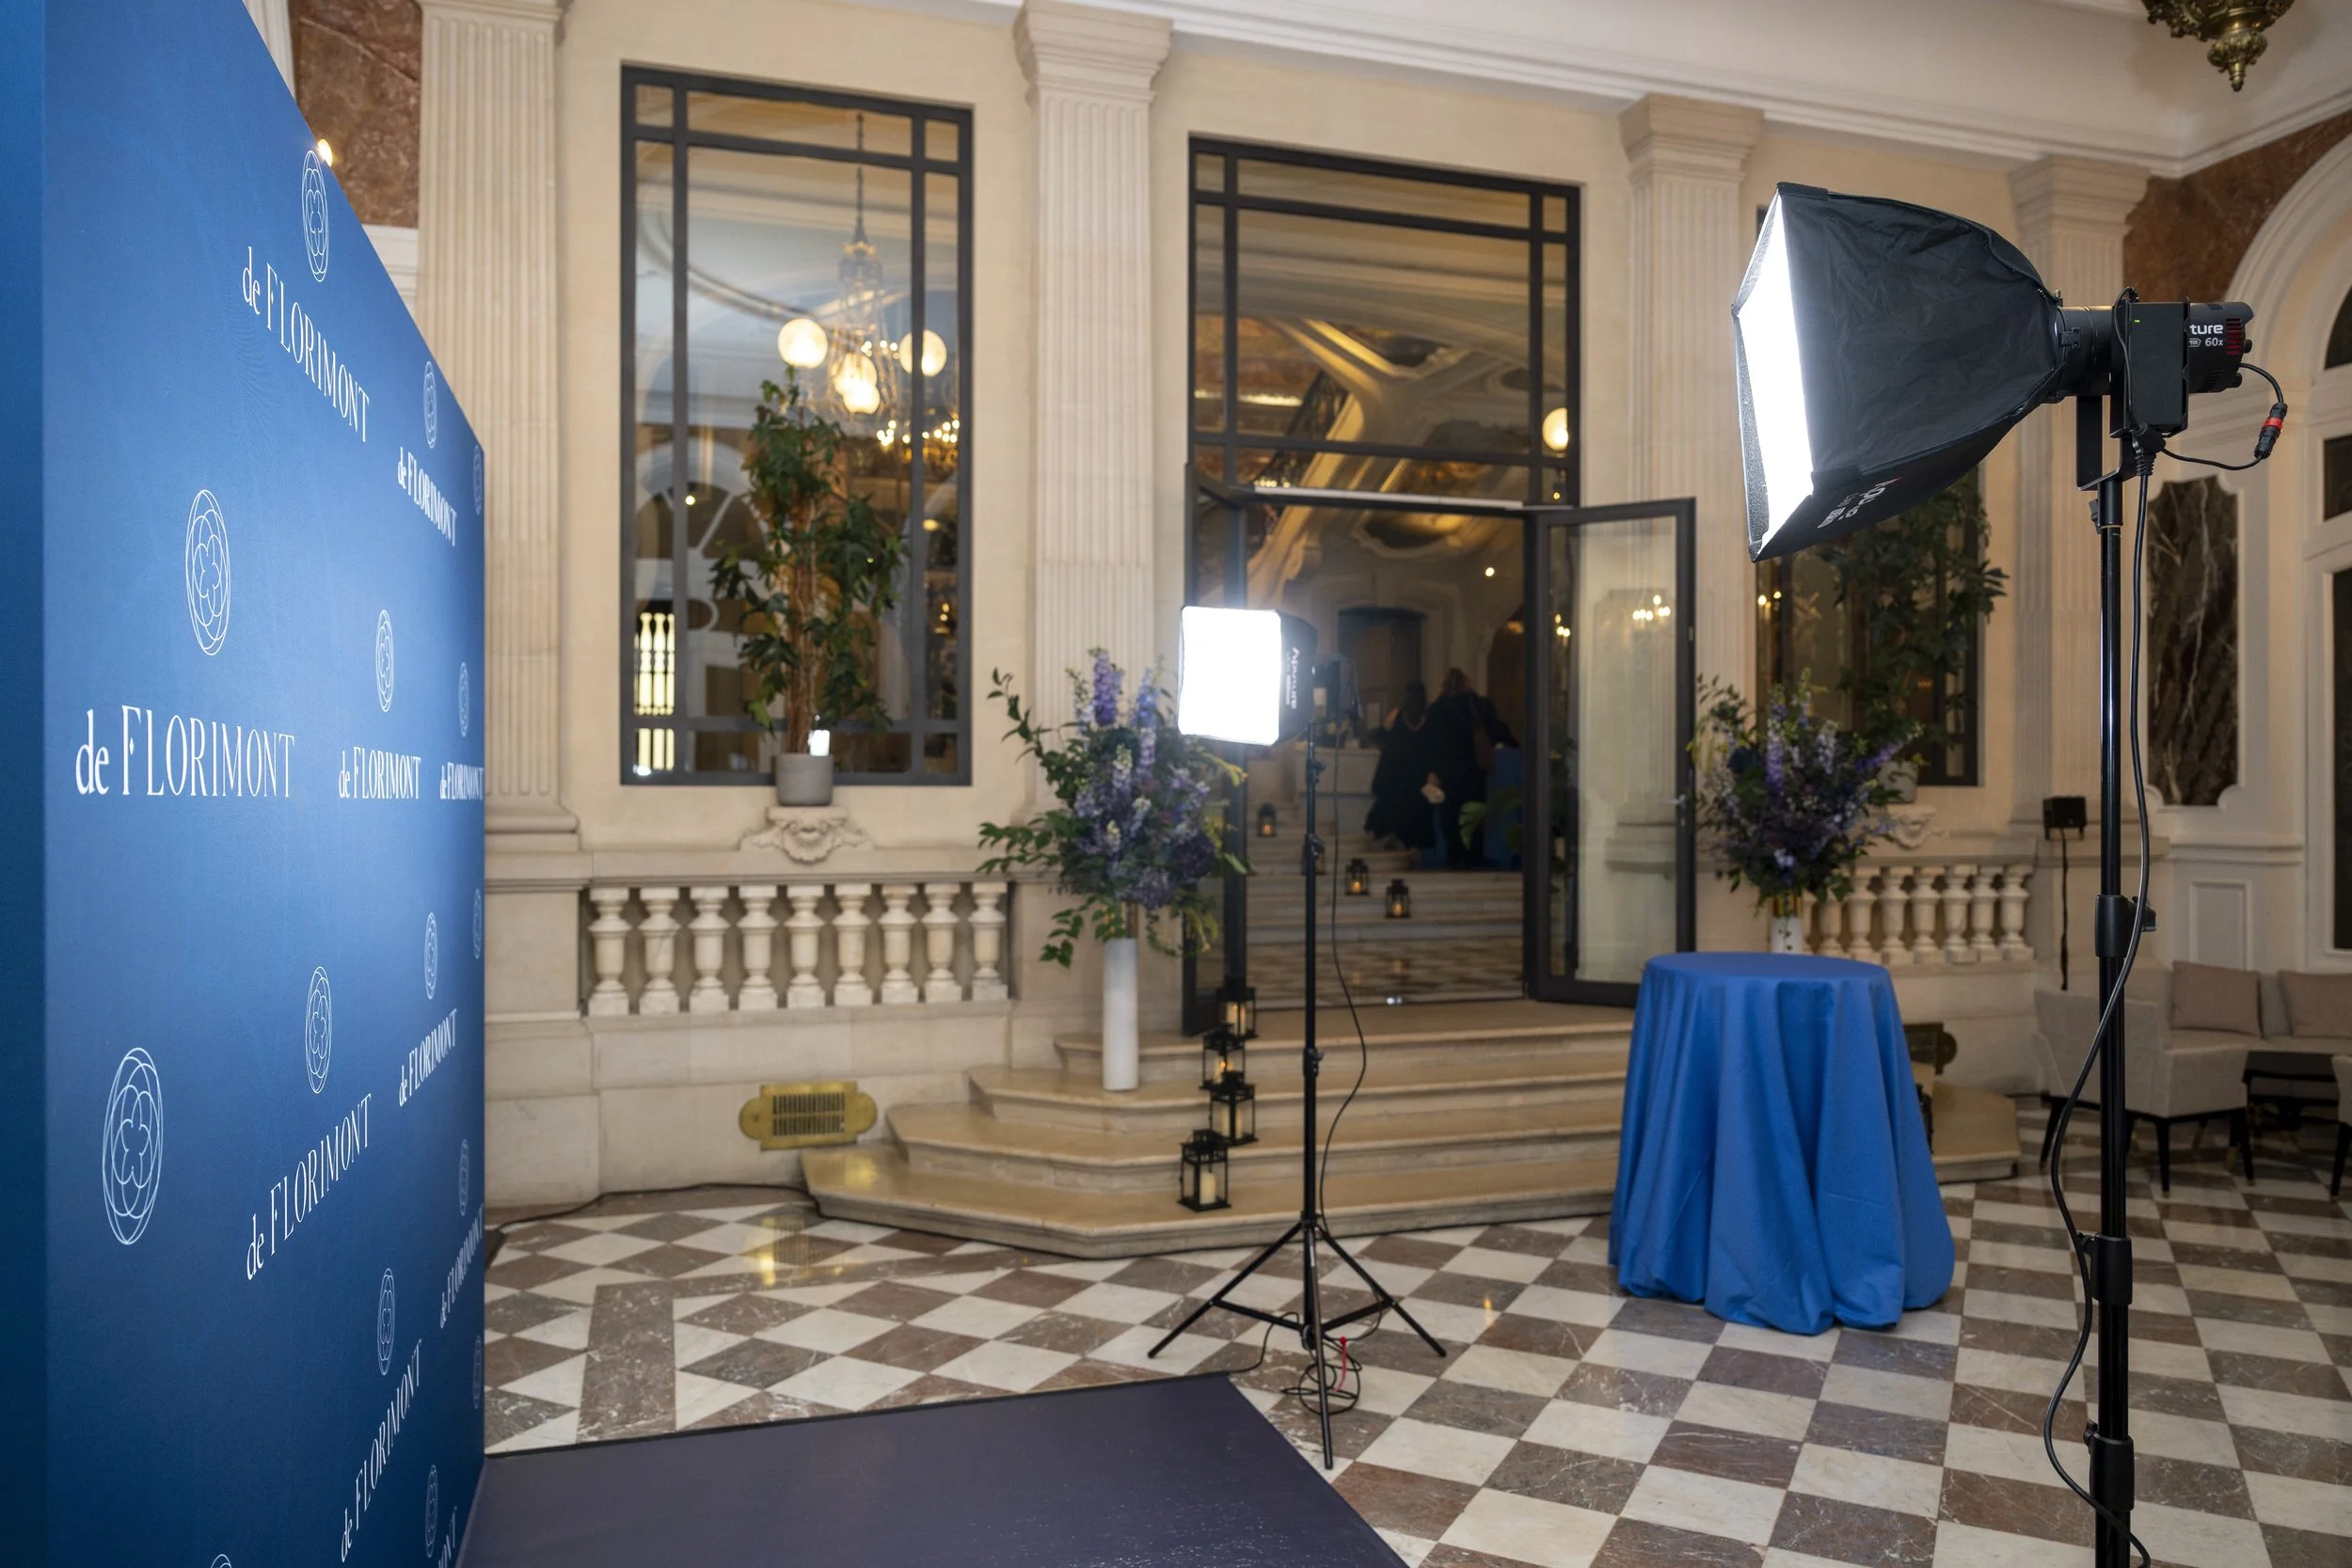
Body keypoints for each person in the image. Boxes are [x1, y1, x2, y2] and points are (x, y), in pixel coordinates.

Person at [1425, 668, 1518, 868]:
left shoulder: (1436, 710)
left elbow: (1431, 744)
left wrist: (1433, 770)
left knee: (1450, 818)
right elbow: (1497, 730)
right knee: (1475, 816)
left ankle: (1453, 858)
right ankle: (1473, 858)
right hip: (1474, 771)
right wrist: (1516, 744)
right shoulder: (1479, 706)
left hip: (1448, 773)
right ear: (1467, 683)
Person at [1362, 681, 1436, 854]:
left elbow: (1382, 735)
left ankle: (1386, 838)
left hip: (1395, 771)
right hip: (1418, 773)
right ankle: (1410, 849)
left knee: (1390, 808)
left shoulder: (1398, 715)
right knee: (1416, 814)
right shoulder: (1428, 719)